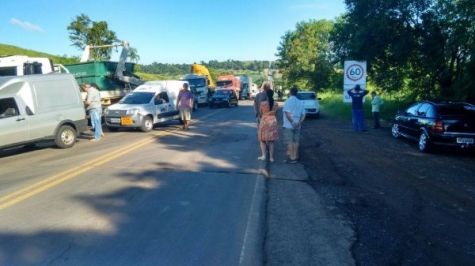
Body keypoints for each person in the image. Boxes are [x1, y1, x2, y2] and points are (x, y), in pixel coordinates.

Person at [282, 87, 305, 164]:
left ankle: (292, 158)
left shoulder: (288, 101)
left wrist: (292, 122)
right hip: (298, 125)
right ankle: (295, 156)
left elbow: (287, 113)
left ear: (290, 93)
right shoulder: (300, 102)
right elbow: (304, 114)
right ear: (296, 93)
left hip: (289, 125)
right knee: (296, 141)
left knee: (289, 142)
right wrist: (299, 122)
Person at [257, 89, 279, 162]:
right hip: (272, 121)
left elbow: (260, 112)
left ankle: (263, 156)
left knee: (262, 139)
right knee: (271, 141)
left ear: (266, 95)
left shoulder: (263, 103)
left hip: (264, 121)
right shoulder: (276, 104)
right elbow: (276, 113)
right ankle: (271, 158)